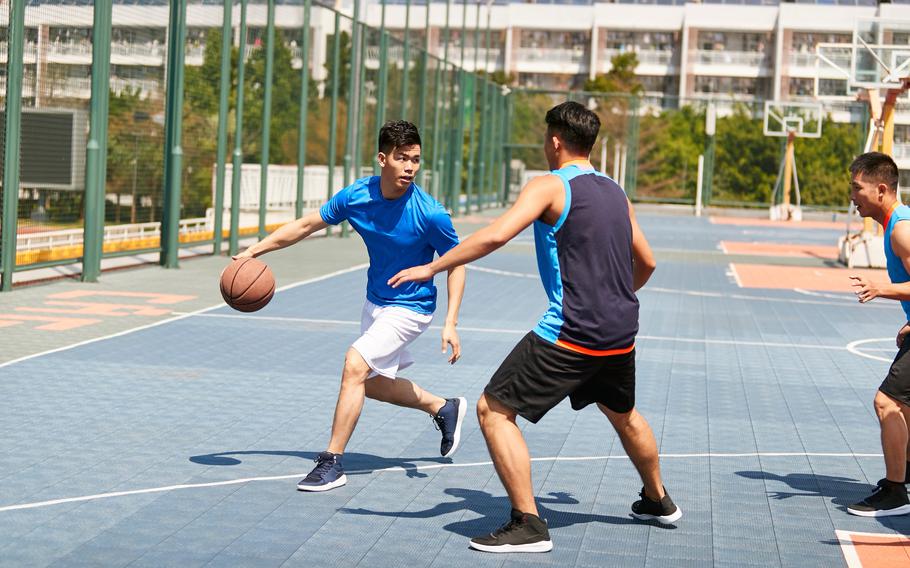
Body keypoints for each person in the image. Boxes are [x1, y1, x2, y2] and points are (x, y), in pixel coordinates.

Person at [388, 101, 681, 552]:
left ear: (556, 140)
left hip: (572, 330)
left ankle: (528, 524)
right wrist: (616, 300)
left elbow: (495, 235)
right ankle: (658, 499)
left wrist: (434, 267)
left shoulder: (548, 186)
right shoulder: (615, 191)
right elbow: (649, 261)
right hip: (620, 330)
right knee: (623, 414)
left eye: (547, 138)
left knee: (493, 409)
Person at [236, 120, 468, 492]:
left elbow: (456, 262)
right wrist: (255, 250)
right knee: (370, 384)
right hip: (375, 301)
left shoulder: (430, 213)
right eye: (401, 158)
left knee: (354, 364)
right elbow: (307, 224)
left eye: (416, 160)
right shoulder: (358, 196)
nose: (409, 167)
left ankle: (332, 461)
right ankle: (443, 407)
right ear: (381, 159)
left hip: (412, 307)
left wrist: (451, 321)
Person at [847, 151, 910, 517]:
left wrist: (880, 287)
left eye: (857, 188)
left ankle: (895, 492)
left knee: (886, 402)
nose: (852, 197)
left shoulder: (901, 228)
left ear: (882, 189)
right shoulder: (896, 225)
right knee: (902, 404)